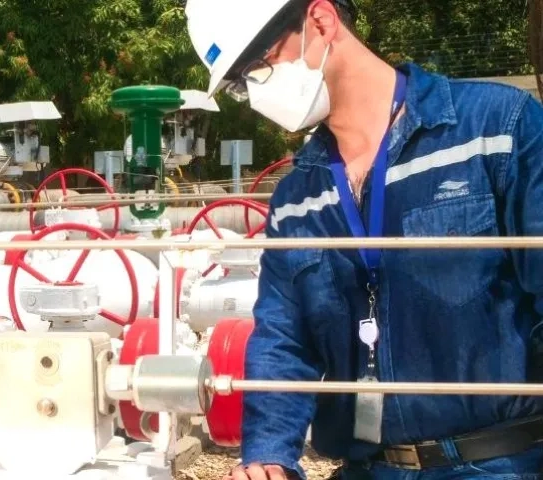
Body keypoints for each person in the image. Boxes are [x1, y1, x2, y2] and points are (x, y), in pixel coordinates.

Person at [185, 0, 543, 479]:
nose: (251, 94)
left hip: (499, 462)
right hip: (371, 467)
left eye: (257, 66)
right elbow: (285, 337)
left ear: (321, 20)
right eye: (237, 85)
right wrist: (268, 454)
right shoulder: (298, 198)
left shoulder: (495, 130)